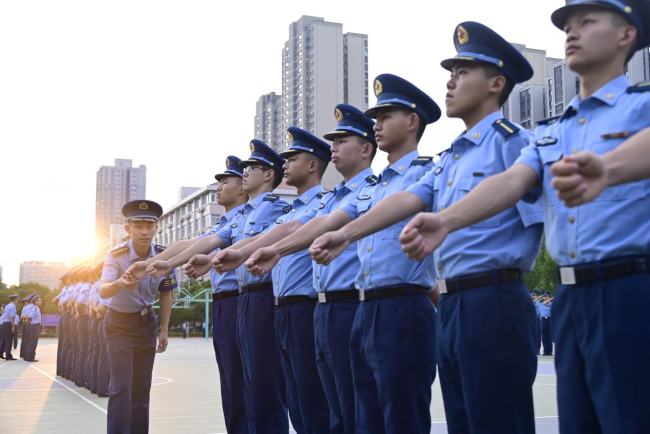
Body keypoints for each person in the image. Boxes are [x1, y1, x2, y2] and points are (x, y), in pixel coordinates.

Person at [397, 2, 650, 432]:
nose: (571, 33)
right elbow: (511, 181)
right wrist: (447, 220)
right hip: (572, 299)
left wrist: (607, 169)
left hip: (628, 289)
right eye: (568, 25)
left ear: (627, 36)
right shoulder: (552, 132)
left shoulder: (641, 105)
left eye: (586, 22)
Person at [313, 24, 544, 431]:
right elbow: (406, 200)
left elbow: (512, 186)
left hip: (496, 299)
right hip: (454, 305)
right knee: (460, 420)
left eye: (462, 73)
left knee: (496, 421)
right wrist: (344, 234)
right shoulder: (449, 159)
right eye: (449, 74)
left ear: (496, 83)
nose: (450, 83)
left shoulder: (516, 142)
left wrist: (445, 219)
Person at [300, 74, 440, 433]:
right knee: (365, 418)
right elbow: (332, 222)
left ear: (412, 122)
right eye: (374, 119)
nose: (375, 125)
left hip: (403, 304)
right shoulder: (376, 188)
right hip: (367, 308)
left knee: (401, 416)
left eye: (384, 117)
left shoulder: (427, 173)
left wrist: (343, 235)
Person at [245, 103, 377, 434]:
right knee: (306, 403)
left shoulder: (371, 189)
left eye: (342, 139)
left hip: (341, 304)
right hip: (310, 308)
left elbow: (298, 233)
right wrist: (259, 250)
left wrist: (272, 250)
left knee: (343, 406)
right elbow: (289, 230)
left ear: (365, 148)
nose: (285, 164)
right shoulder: (332, 199)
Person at [142, 140, 290, 433]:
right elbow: (200, 243)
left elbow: (258, 244)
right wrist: (167, 262)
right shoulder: (237, 218)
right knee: (235, 384)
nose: (222, 185)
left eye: (233, 177)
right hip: (230, 302)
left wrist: (177, 262)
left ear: (269, 174)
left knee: (260, 386)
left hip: (254, 298)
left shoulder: (278, 209)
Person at [211, 127, 332, 433]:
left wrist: (254, 252)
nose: (286, 163)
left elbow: (279, 237)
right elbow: (265, 237)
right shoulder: (290, 210)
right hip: (271, 304)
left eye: (293, 157)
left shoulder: (313, 204)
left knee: (300, 395)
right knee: (272, 391)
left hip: (300, 304)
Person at [100, 200, 177, 434]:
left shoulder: (165, 256)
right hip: (119, 324)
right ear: (128, 229)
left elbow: (166, 294)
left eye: (150, 225)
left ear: (156, 228)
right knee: (122, 387)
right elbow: (104, 290)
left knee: (143, 387)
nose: (144, 231)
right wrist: (120, 283)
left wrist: (164, 329)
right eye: (138, 225)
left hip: (147, 324)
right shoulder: (116, 256)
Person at [185, 156, 249, 433]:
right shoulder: (224, 223)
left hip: (240, 299)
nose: (219, 186)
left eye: (226, 181)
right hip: (222, 302)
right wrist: (159, 262)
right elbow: (191, 244)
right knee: (229, 382)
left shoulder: (251, 217)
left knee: (244, 381)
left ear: (242, 187)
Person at [1, 294, 18, 360]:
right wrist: (13, 326)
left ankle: (4, 354)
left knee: (6, 340)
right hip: (9, 324)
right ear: (15, 299)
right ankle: (8, 356)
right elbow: (12, 317)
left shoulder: (7, 306)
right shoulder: (13, 307)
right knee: (9, 340)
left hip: (5, 323)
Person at [25, 296, 42, 362]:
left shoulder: (36, 308)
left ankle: (30, 356)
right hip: (34, 326)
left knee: (33, 341)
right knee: (33, 342)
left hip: (34, 326)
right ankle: (31, 357)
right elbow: (29, 316)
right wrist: (30, 322)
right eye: (39, 301)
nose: (40, 302)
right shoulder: (35, 309)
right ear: (36, 302)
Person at [538, 291, 553, 356]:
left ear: (549, 297)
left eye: (547, 296)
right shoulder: (540, 304)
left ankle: (549, 351)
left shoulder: (551, 304)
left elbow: (547, 303)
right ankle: (545, 350)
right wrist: (538, 297)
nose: (545, 297)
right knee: (544, 336)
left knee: (549, 336)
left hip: (550, 319)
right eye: (544, 296)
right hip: (543, 319)